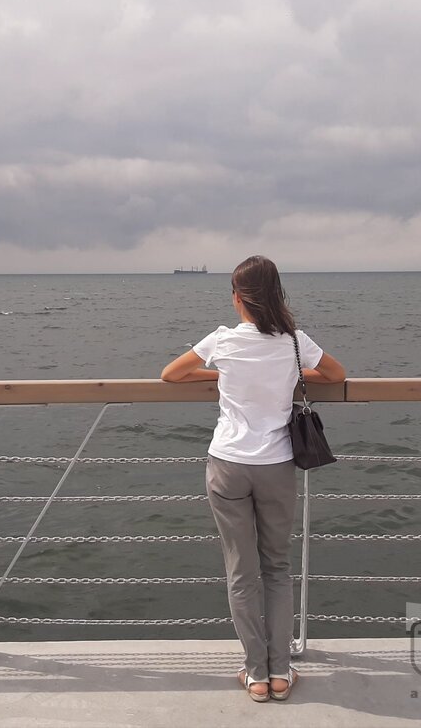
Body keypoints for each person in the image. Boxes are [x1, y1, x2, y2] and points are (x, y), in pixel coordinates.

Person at [161, 254, 346, 703]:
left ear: (238, 298)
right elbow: (336, 375)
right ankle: (280, 672)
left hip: (227, 463)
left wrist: (223, 372)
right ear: (275, 295)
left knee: (241, 571)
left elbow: (171, 374)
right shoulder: (294, 342)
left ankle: (256, 674)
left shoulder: (222, 340)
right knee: (276, 568)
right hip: (277, 465)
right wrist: (289, 373)